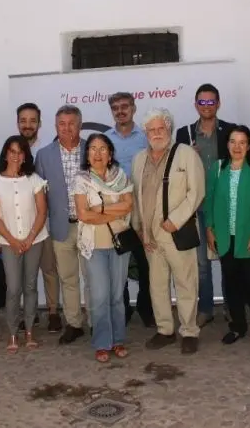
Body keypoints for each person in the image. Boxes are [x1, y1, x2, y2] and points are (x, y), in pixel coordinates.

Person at [132, 108, 205, 355]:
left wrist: (176, 220)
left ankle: (189, 331)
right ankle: (165, 330)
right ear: (145, 133)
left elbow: (196, 192)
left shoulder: (185, 154)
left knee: (186, 283)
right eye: (151, 130)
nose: (156, 133)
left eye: (160, 128)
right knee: (157, 285)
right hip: (150, 235)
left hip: (177, 231)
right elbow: (136, 195)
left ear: (169, 128)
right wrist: (139, 228)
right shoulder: (139, 159)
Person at [205, 125, 250, 348]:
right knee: (231, 285)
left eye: (242, 142)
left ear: (249, 146)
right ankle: (237, 327)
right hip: (225, 238)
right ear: (227, 144)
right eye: (233, 142)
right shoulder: (217, 169)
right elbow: (209, 201)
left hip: (249, 237)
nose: (237, 147)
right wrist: (209, 228)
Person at [174, 83, 235, 327]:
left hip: (224, 205)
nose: (207, 106)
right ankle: (206, 309)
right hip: (196, 206)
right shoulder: (184, 134)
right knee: (201, 264)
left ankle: (232, 307)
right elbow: (177, 170)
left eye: (211, 102)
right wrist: (188, 156)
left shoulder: (230, 131)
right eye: (202, 102)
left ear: (218, 104)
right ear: (196, 104)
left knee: (228, 259)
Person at [0, 135, 48, 353]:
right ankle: (12, 333)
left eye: (20, 152)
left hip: (35, 240)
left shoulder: (34, 180)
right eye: (12, 151)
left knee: (30, 286)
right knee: (13, 288)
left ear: (25, 156)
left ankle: (29, 331)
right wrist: (12, 240)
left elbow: (42, 212)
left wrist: (29, 238)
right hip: (8, 242)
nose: (16, 156)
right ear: (5, 154)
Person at [75, 134, 134, 362]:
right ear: (87, 154)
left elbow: (128, 205)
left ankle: (118, 340)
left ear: (110, 154)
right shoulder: (82, 180)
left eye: (102, 149)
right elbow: (83, 214)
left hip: (119, 244)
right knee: (99, 296)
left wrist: (98, 211)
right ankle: (102, 343)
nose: (97, 153)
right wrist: (113, 211)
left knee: (117, 295)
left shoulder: (121, 176)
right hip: (94, 246)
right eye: (92, 148)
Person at [35, 105, 89, 345]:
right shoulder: (44, 155)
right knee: (68, 278)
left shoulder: (92, 148)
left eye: (71, 123)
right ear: (55, 126)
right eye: (62, 124)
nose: (67, 128)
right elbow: (40, 195)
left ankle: (97, 323)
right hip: (60, 227)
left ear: (80, 125)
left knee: (93, 278)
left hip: (90, 226)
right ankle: (74, 324)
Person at [103, 92, 154, 328]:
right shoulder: (104, 140)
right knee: (118, 264)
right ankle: (122, 309)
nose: (120, 111)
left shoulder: (146, 137)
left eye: (125, 106)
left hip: (142, 209)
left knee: (146, 263)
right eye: (115, 108)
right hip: (115, 211)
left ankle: (146, 307)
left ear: (133, 108)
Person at [16, 103, 61, 332]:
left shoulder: (49, 150)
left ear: (40, 124)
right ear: (17, 123)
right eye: (23, 121)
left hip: (47, 220)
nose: (28, 125)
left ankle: (53, 312)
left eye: (32, 120)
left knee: (49, 268)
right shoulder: (12, 150)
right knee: (25, 272)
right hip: (20, 222)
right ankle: (29, 313)